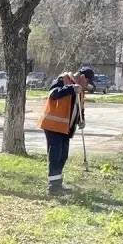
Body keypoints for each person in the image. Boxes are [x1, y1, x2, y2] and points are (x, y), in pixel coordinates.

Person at [38, 67, 89, 196]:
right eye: (87, 80)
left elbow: (78, 108)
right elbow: (53, 94)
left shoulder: (81, 90)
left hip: (65, 128)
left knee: (63, 156)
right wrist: (71, 88)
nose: (87, 84)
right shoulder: (63, 79)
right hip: (53, 125)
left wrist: (80, 120)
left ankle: (57, 184)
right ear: (82, 76)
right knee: (55, 155)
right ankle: (53, 188)